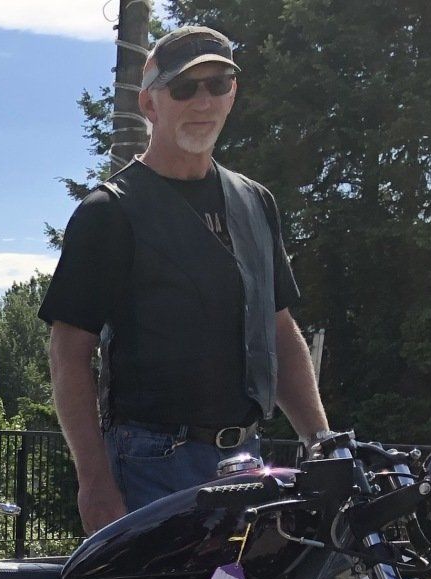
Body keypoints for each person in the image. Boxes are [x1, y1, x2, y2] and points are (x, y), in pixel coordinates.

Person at [40, 25, 331, 534]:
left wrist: (323, 443)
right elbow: (68, 354)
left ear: (233, 94)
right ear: (149, 104)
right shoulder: (110, 212)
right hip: (151, 465)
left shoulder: (255, 203)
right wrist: (95, 481)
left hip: (246, 464)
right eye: (184, 88)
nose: (203, 100)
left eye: (218, 84)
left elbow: (280, 331)